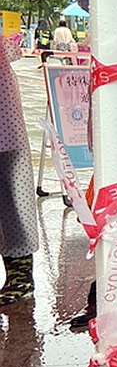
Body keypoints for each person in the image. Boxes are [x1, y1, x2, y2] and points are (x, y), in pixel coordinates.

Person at [0, 33, 38, 305]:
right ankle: (20, 279)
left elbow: (11, 51)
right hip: (7, 128)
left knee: (13, 201)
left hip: (6, 131)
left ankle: (21, 278)